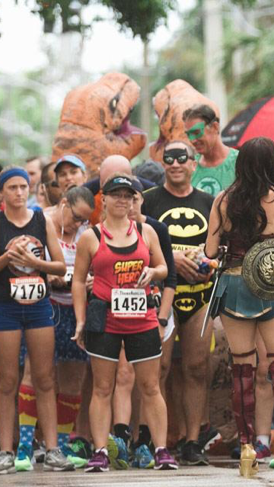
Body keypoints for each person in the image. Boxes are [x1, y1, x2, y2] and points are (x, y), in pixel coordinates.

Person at [205, 137, 274, 476]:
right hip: (273, 286)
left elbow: (210, 250)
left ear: (240, 164)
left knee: (242, 368)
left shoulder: (223, 200)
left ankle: (247, 448)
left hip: (233, 285)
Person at [71, 175, 177, 472]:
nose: (121, 200)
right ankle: (101, 450)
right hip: (105, 316)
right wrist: (80, 320)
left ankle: (161, 449)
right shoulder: (92, 236)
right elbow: (79, 281)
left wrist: (154, 273)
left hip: (141, 316)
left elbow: (164, 267)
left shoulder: (146, 231)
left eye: (127, 195)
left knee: (150, 386)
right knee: (103, 386)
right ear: (103, 199)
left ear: (134, 200)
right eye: (115, 194)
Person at [0, 167, 74, 473]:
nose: (19, 193)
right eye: (13, 187)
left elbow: (59, 266)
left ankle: (53, 448)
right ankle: (6, 450)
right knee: (6, 381)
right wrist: (7, 258)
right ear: (1, 192)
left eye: (24, 187)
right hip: (5, 307)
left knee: (45, 379)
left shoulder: (42, 220)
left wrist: (34, 262)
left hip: (39, 306)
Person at [141, 141, 216, 466]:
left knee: (197, 369)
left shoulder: (209, 203)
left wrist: (203, 263)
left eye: (181, 157)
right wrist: (172, 259)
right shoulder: (148, 201)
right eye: (167, 158)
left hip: (200, 293)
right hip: (161, 295)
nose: (174, 163)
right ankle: (153, 441)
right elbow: (134, 242)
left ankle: (191, 440)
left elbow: (219, 249)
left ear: (194, 163)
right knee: (160, 368)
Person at [42, 185, 95, 467]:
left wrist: (89, 280)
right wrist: (47, 274)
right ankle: (31, 443)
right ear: (63, 203)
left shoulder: (86, 233)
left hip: (76, 307)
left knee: (73, 379)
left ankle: (63, 443)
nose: (78, 224)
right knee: (42, 377)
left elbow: (99, 265)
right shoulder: (42, 220)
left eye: (84, 221)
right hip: (45, 306)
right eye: (76, 218)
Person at [183, 104, 239, 196]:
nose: (192, 140)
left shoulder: (240, 162)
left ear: (215, 127)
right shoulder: (190, 166)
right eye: (188, 134)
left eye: (196, 132)